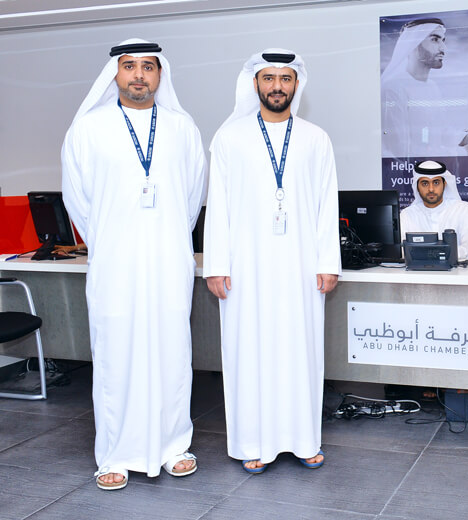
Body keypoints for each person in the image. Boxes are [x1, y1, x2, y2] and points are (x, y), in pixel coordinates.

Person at [62, 38, 207, 490]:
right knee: (115, 356)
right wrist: (112, 240)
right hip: (114, 264)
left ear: (160, 74)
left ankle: (174, 446)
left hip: (168, 261)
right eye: (129, 66)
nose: (139, 75)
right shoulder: (88, 129)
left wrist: (165, 237)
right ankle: (115, 454)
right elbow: (77, 200)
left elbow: (193, 197)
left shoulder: (182, 128)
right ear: (115, 74)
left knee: (172, 353)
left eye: (148, 66)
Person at [203, 49, 341, 474]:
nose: (277, 86)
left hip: (301, 266)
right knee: (250, 352)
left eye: (285, 78)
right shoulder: (229, 138)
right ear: (255, 84)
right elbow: (218, 206)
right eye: (269, 78)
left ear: (297, 84)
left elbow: (326, 204)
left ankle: (304, 441)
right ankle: (253, 442)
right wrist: (216, 265)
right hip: (246, 268)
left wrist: (328, 261)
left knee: (300, 351)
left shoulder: (316, 138)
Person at [381, 18, 450, 158]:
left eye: (443, 40)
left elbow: (442, 131)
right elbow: (399, 149)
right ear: (413, 45)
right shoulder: (393, 88)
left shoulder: (433, 87)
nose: (443, 48)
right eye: (435, 40)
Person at [400, 160, 468, 259]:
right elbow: (401, 249)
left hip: (455, 268)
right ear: (417, 187)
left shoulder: (464, 209)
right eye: (425, 183)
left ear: (444, 184)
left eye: (436, 183)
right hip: (418, 268)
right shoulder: (407, 215)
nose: (431, 189)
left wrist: (442, 255)